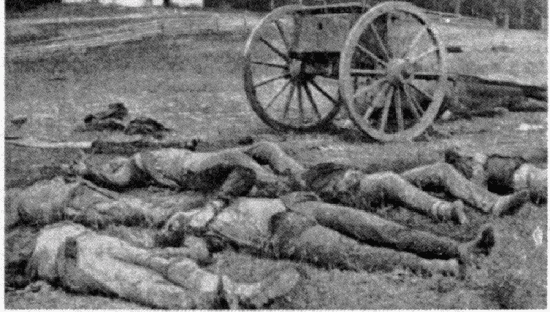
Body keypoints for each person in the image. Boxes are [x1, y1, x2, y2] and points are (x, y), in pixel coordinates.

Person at [8, 176, 494, 278]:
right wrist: (175, 240)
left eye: (170, 217)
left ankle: (462, 244)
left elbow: (242, 173)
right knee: (365, 254)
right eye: (167, 224)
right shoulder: (199, 237)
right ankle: (448, 266)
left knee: (382, 228)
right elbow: (197, 258)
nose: (170, 218)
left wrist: (213, 203)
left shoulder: (207, 204)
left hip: (295, 203)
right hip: (285, 235)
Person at [25, 222, 300, 309]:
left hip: (86, 238)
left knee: (160, 262)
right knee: (141, 283)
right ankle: (214, 300)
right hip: (67, 260)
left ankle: (238, 290)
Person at [304, 159, 530, 224]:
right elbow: (326, 193)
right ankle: (444, 211)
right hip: (353, 192)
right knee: (390, 179)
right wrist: (344, 180)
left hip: (364, 180)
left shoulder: (311, 167)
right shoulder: (303, 178)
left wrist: (352, 172)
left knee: (440, 169)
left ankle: (494, 204)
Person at [65, 141, 305, 199]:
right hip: (191, 169)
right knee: (238, 159)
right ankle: (285, 182)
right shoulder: (134, 165)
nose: (113, 163)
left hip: (197, 159)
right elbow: (116, 182)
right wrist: (88, 172)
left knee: (264, 147)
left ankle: (299, 174)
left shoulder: (140, 158)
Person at [444, 146, 547, 204]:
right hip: (510, 175)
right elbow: (478, 183)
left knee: (534, 171)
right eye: (459, 151)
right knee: (535, 176)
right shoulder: (466, 170)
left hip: (510, 169)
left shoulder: (470, 162)